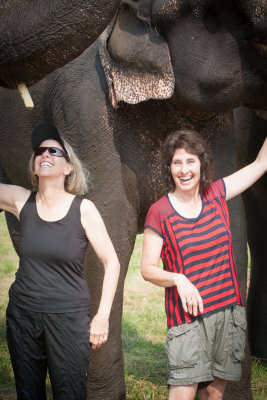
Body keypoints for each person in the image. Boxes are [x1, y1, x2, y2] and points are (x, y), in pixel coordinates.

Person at [141, 129, 267, 400]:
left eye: (190, 161)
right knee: (182, 393)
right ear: (169, 168)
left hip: (227, 314)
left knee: (213, 392)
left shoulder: (217, 194)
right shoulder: (160, 211)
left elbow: (261, 163)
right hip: (188, 321)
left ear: (202, 164)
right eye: (177, 163)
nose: (184, 170)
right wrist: (179, 279)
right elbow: (147, 268)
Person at [0, 123, 120, 399]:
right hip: (23, 317)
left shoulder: (83, 209)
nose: (45, 155)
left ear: (68, 167)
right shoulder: (21, 201)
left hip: (67, 320)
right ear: (34, 166)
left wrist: (102, 316)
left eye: (54, 151)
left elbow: (111, 262)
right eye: (40, 151)